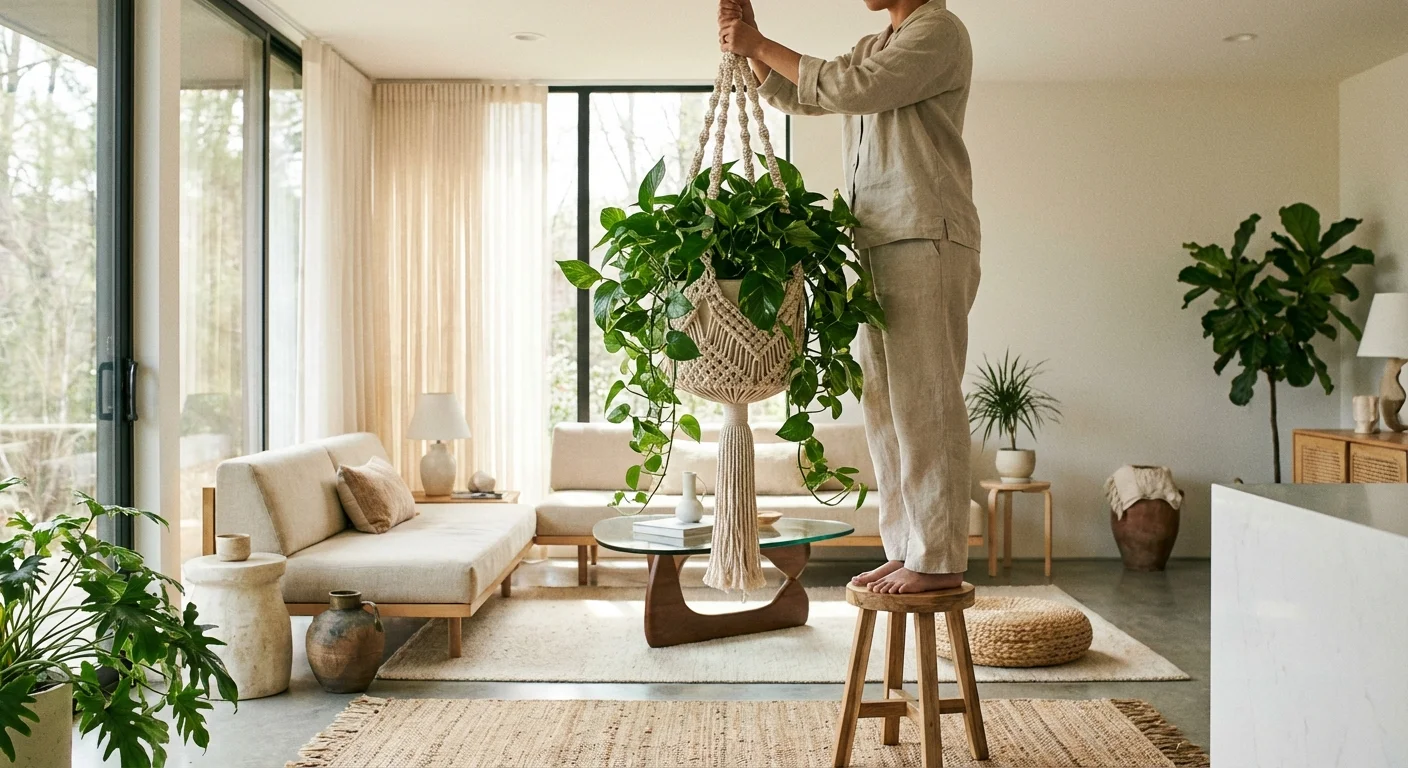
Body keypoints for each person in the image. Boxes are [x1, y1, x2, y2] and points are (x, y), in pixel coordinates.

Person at [719, 0, 980, 594]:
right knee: (884, 402)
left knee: (925, 399)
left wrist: (760, 43)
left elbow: (852, 87)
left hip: (924, 231)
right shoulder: (875, 42)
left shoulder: (938, 31)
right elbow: (809, 95)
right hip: (877, 236)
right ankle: (909, 547)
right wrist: (752, 53)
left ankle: (938, 560)